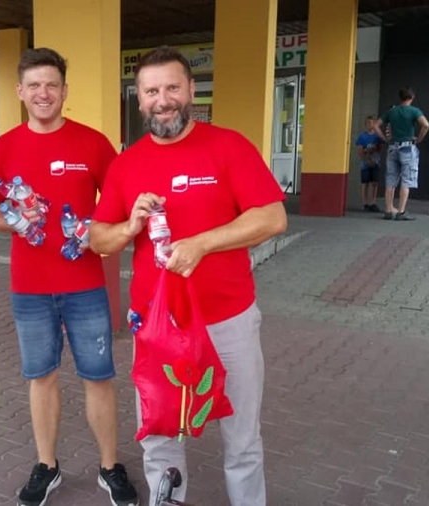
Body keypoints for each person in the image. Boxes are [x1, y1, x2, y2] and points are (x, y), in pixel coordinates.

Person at [89, 46, 288, 506]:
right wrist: (129, 226)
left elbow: (273, 217)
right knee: (160, 437)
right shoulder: (127, 164)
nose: (163, 100)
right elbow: (100, 239)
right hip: (158, 327)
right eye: (151, 91)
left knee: (242, 437)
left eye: (172, 88)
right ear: (139, 99)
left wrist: (202, 243)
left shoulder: (228, 146)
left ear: (192, 90)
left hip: (228, 319)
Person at [0, 48, 139, 506]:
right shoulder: (4, 148)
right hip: (29, 288)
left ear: (65, 91)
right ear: (20, 91)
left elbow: (119, 202)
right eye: (34, 85)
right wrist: (14, 219)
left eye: (51, 84)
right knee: (41, 377)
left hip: (86, 284)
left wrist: (99, 227)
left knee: (99, 377)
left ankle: (110, 467)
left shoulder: (92, 143)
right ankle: (46, 466)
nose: (43, 93)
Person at [374, 87, 429, 221]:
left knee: (390, 179)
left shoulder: (391, 111)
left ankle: (388, 210)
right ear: (412, 97)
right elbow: (426, 125)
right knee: (406, 179)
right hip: (407, 146)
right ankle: (401, 211)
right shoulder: (414, 111)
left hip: (392, 147)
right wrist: (419, 139)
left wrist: (385, 138)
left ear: (400, 97)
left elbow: (376, 125)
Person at [354, 115, 383, 213]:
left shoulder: (377, 136)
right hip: (365, 163)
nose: (369, 125)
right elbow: (360, 151)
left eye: (371, 123)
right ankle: (365, 203)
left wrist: (375, 147)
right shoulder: (362, 137)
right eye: (367, 123)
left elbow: (380, 148)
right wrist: (367, 158)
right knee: (365, 183)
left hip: (376, 162)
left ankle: (373, 202)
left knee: (375, 183)